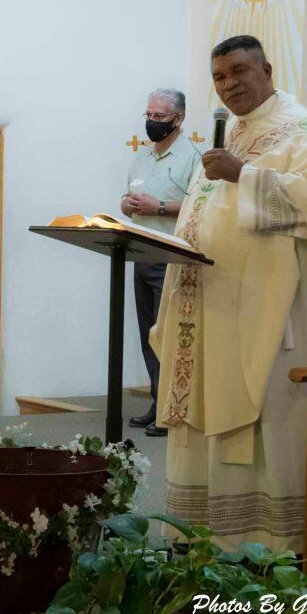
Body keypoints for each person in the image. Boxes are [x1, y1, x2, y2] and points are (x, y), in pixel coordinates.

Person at [150, 35, 307, 552]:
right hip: (209, 308)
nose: (229, 85)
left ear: (266, 68)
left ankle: (269, 540)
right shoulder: (233, 135)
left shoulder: (305, 133)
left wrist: (245, 175)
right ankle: (205, 532)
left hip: (272, 313)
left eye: (239, 72)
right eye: (220, 77)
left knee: (267, 416)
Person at [122, 88, 201, 438]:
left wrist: (158, 207)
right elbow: (127, 199)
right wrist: (129, 206)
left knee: (166, 336)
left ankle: (172, 410)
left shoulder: (192, 158)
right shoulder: (142, 157)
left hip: (172, 257)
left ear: (178, 119)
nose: (151, 123)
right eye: (148, 116)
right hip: (141, 254)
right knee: (146, 336)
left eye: (159, 118)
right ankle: (157, 404)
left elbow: (202, 206)